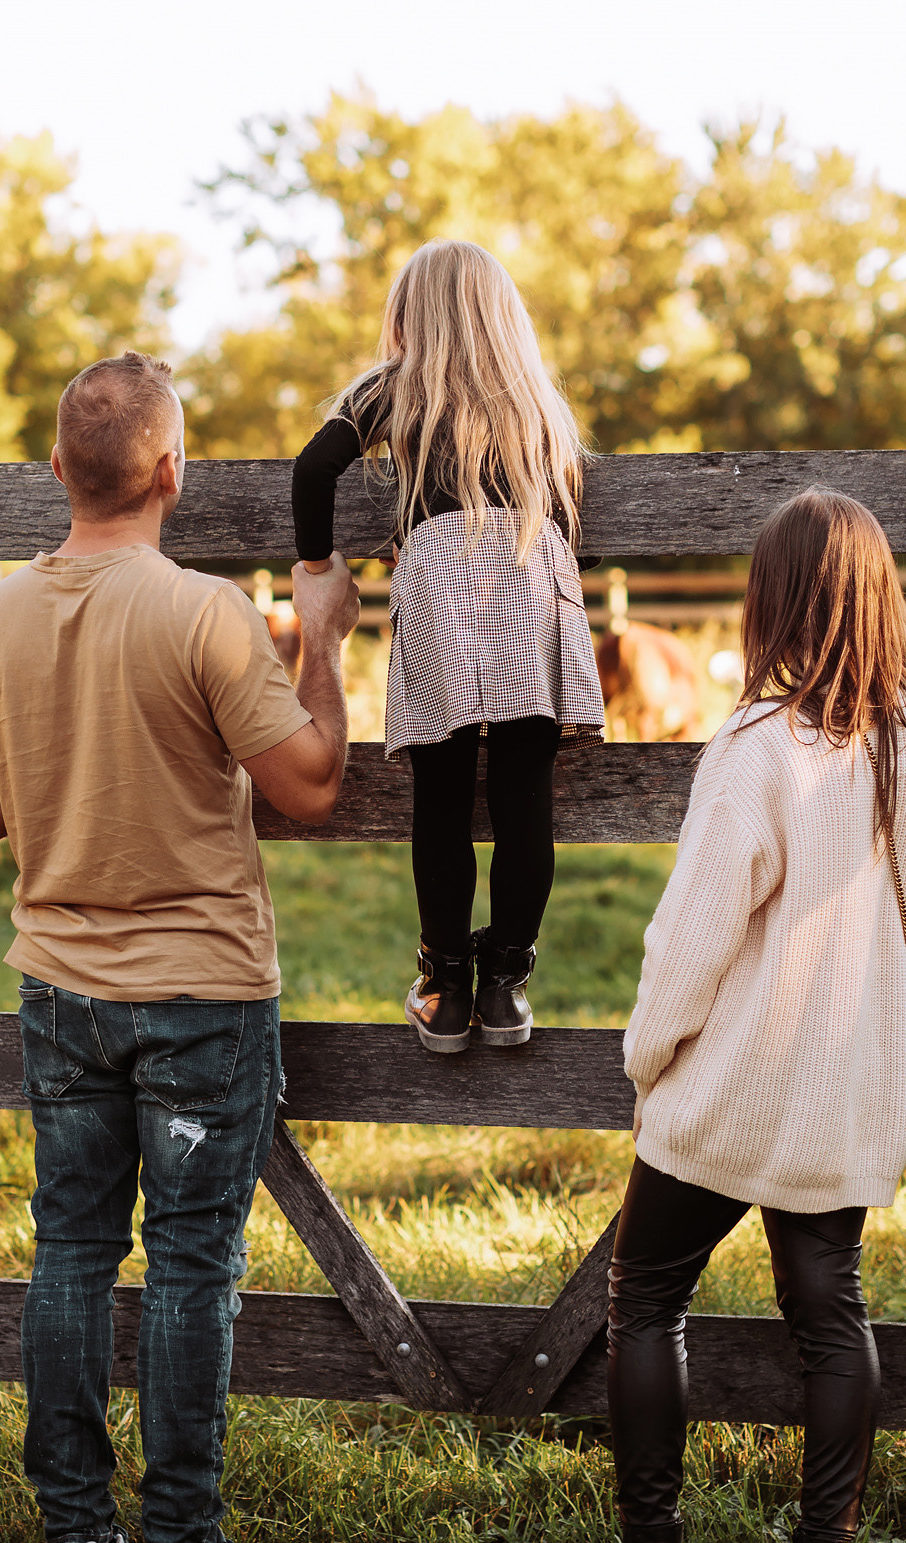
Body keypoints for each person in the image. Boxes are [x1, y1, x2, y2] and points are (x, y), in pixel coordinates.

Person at [0, 351, 360, 1543]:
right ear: (172, 472)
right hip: (201, 990)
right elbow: (310, 785)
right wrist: (325, 640)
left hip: (60, 987)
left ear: (57, 469)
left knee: (70, 1252)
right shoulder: (205, 614)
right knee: (190, 1267)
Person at [587, 488, 906, 1543]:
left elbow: (692, 936)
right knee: (830, 1313)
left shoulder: (759, 746)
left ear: (774, 600)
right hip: (848, 1087)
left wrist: (648, 1060)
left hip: (736, 1087)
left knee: (646, 1296)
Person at [290, 238, 606, 1055]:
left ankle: (445, 984)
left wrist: (320, 567)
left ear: (409, 315)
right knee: (524, 794)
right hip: (531, 583)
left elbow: (314, 470)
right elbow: (570, 519)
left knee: (441, 793)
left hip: (439, 587)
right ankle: (506, 983)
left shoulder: (395, 386)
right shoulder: (535, 400)